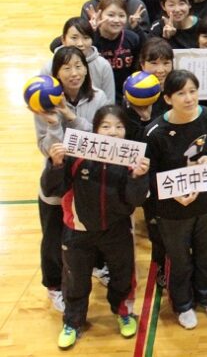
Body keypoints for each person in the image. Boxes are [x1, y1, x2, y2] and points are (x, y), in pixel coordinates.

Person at [43, 105, 149, 348]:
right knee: (75, 280)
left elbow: (136, 200)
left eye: (119, 127)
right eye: (106, 126)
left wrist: (138, 177)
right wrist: (56, 164)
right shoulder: (76, 155)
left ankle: (123, 312)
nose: (113, 132)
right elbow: (52, 189)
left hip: (117, 230)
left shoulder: (130, 160)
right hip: (77, 230)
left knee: (122, 275)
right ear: (95, 130)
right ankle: (72, 322)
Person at [145, 70, 207, 329]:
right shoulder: (155, 132)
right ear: (168, 99)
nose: (189, 98)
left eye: (193, 91)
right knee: (179, 258)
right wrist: (173, 193)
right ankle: (182, 304)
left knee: (205, 254)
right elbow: (149, 174)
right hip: (172, 209)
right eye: (181, 93)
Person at [32, 48, 110, 315]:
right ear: (56, 73)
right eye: (66, 68)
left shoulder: (98, 97)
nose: (74, 73)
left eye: (78, 66)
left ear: (86, 69)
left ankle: (97, 266)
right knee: (53, 235)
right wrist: (53, 124)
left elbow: (100, 138)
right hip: (58, 179)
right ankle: (54, 284)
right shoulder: (42, 100)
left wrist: (69, 116)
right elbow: (46, 148)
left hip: (90, 177)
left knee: (93, 227)